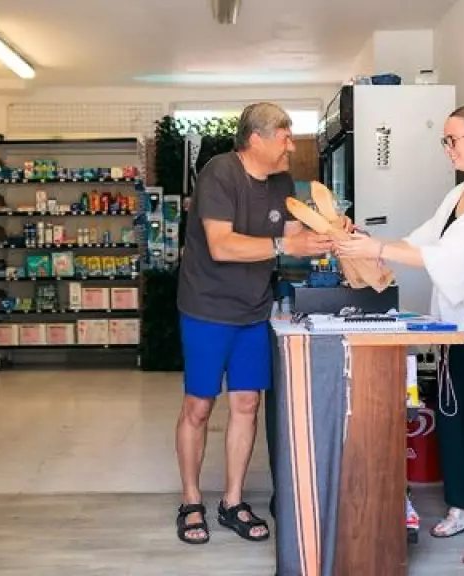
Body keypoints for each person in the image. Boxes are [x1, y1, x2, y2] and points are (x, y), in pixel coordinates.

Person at [337, 102, 464, 567]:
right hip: (456, 329)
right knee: (454, 423)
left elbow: (452, 258)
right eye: (445, 140)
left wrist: (378, 248)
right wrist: (367, 244)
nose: (448, 148)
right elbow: (420, 241)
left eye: (453, 139)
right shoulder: (460, 193)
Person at [175, 102, 337, 545]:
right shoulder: (220, 173)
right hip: (207, 308)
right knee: (199, 407)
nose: (291, 146)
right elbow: (222, 245)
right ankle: (191, 500)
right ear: (255, 140)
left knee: (247, 403)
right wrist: (285, 246)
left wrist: (332, 233)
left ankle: (232, 501)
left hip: (253, 309)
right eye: (284, 137)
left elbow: (291, 232)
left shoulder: (281, 181)